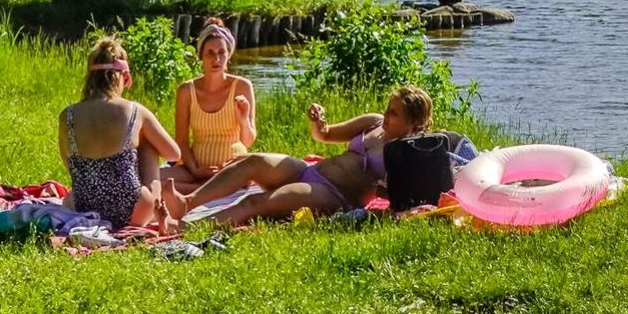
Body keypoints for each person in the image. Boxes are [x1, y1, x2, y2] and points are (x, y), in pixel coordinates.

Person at [167, 86, 434, 227]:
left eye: (394, 113)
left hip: (334, 195)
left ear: (413, 123)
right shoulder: (373, 123)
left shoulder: (407, 153)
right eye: (388, 108)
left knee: (255, 202)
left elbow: (403, 197)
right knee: (253, 161)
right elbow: (325, 135)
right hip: (310, 171)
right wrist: (318, 121)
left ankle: (187, 228)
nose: (386, 115)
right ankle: (187, 203)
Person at [59, 37, 184, 230]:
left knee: (76, 186)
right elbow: (173, 154)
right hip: (134, 210)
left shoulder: (67, 115)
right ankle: (158, 208)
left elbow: (69, 164)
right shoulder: (134, 111)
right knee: (149, 144)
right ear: (123, 77)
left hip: (83, 208)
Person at [169, 17, 257, 194]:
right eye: (210, 53)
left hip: (232, 168)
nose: (216, 59)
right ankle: (201, 189)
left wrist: (243, 121)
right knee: (152, 180)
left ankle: (197, 192)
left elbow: (248, 140)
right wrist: (195, 170)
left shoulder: (242, 86)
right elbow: (182, 142)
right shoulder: (186, 90)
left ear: (228, 54)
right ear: (201, 55)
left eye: (221, 52)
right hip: (195, 169)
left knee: (234, 178)